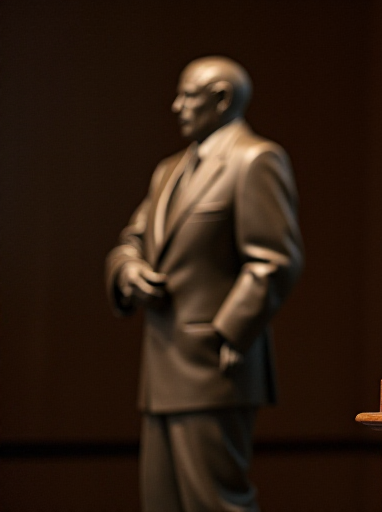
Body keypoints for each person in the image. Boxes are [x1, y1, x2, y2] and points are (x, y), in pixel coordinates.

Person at [106, 56, 303, 512]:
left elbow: (275, 258)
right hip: (162, 365)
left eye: (188, 95)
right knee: (162, 501)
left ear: (222, 99)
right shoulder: (169, 170)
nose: (176, 107)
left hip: (216, 365)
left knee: (214, 502)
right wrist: (128, 272)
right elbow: (131, 241)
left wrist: (232, 330)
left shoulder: (255, 160)